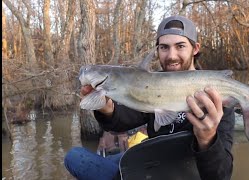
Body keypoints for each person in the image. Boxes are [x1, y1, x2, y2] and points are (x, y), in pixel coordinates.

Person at [64, 15, 235, 180]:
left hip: (185, 172)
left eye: (180, 46)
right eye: (164, 47)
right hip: (151, 164)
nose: (171, 56)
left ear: (195, 48)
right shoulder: (150, 84)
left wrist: (207, 139)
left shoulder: (216, 97)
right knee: (75, 156)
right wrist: (107, 109)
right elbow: (124, 120)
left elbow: (221, 175)